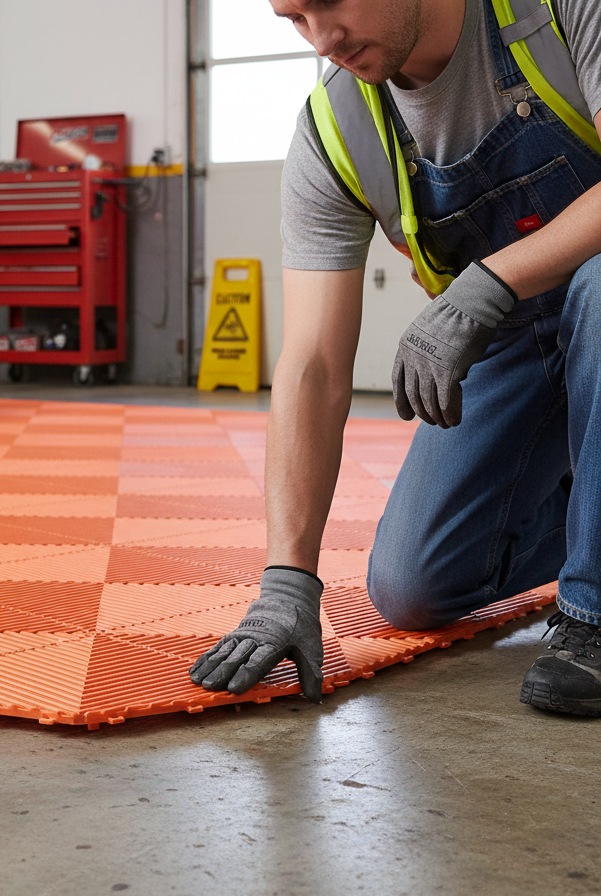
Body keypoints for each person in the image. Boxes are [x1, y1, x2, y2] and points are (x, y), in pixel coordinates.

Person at [190, 0, 601, 717]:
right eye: (294, 18)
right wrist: (287, 581)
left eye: (329, 1)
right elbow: (312, 365)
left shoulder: (560, 11)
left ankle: (593, 617)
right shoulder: (335, 131)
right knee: (415, 585)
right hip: (519, 347)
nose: (323, 39)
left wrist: (491, 281)